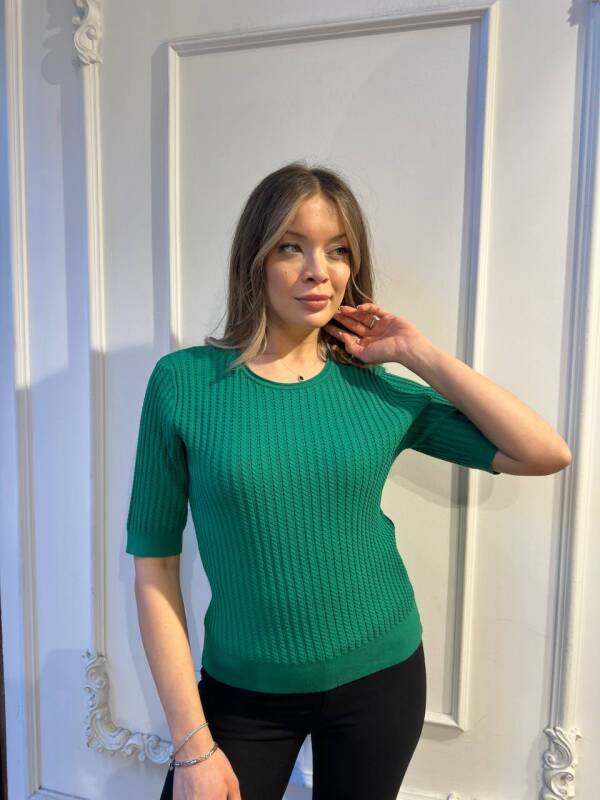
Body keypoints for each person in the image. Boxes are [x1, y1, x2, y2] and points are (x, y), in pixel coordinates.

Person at [125, 161, 572, 800]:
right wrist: (192, 744)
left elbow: (544, 452)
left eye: (338, 250)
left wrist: (418, 353)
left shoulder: (375, 390)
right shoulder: (184, 384)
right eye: (292, 247)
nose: (319, 271)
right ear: (255, 259)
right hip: (244, 695)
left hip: (381, 678)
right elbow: (155, 567)